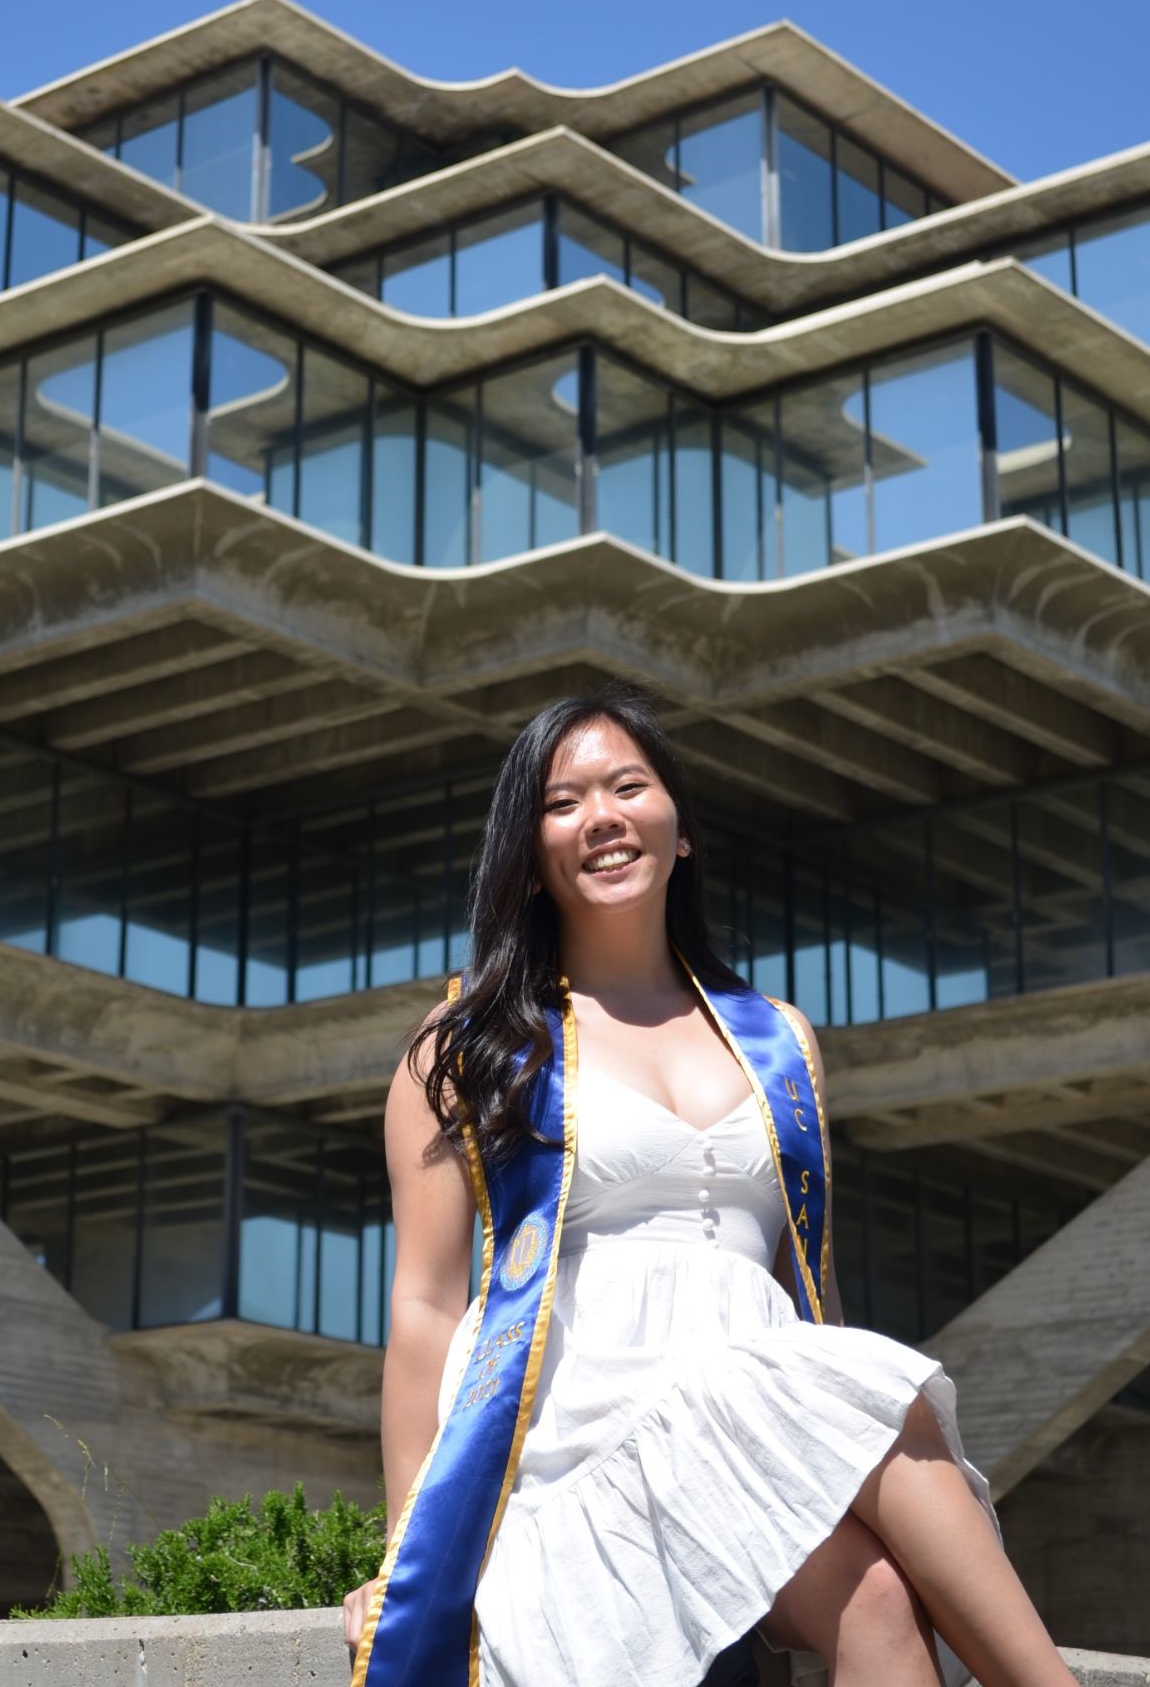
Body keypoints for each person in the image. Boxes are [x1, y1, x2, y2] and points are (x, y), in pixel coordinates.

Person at [342, 686, 1079, 1687]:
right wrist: (405, 1553)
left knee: (880, 1604)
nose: (600, 815)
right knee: (873, 1393)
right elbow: (425, 1305)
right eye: (563, 801)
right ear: (531, 847)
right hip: (591, 1440)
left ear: (678, 826)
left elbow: (806, 1286)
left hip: (754, 1425)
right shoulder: (477, 1045)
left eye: (627, 786)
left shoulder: (777, 1039)